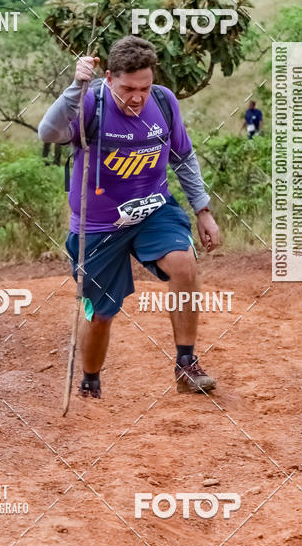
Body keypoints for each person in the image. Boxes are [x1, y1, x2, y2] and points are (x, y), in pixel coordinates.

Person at [38, 36, 221, 400]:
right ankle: (91, 379)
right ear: (108, 78)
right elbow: (50, 132)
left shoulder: (164, 102)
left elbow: (183, 156)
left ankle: (186, 364)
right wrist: (76, 87)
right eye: (128, 88)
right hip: (98, 226)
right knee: (101, 314)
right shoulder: (91, 103)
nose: (137, 97)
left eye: (144, 87)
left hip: (153, 210)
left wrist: (203, 211)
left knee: (184, 265)